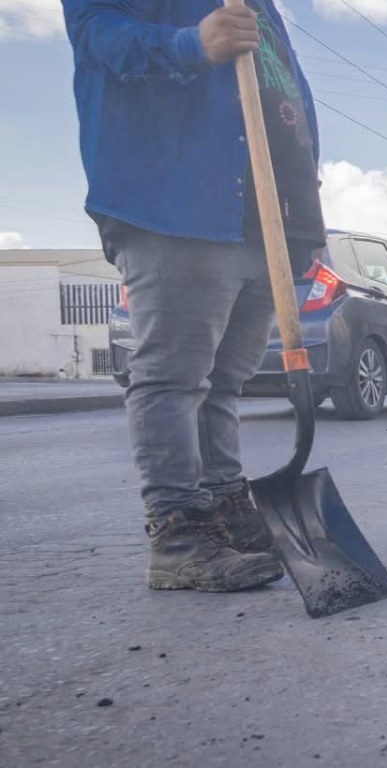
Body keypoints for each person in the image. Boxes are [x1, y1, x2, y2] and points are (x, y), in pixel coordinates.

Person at [64, 0, 320, 591]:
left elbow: (288, 91)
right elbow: (96, 35)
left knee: (225, 379)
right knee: (175, 376)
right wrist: (191, 45)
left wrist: (306, 204)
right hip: (176, 202)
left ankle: (224, 506)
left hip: (266, 216)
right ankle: (179, 532)